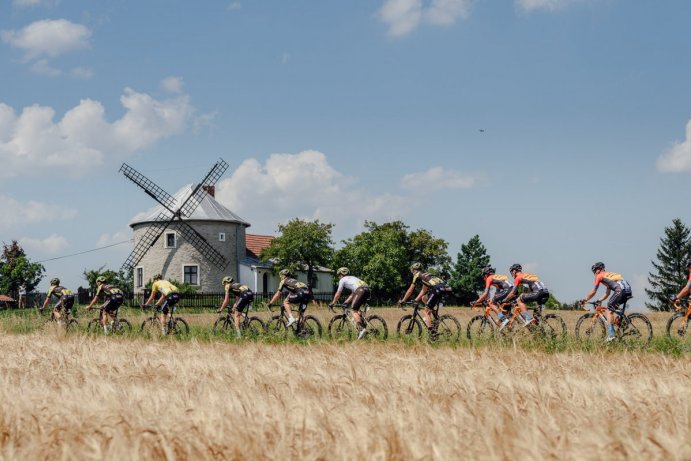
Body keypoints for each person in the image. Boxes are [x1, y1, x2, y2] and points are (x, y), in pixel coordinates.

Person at [579, 262, 632, 342]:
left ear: (599, 269)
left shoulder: (599, 276)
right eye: (593, 272)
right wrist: (599, 300)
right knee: (612, 307)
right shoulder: (608, 275)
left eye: (595, 270)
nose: (594, 273)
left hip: (620, 289)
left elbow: (594, 291)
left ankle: (611, 335)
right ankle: (621, 321)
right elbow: (607, 293)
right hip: (627, 289)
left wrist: (585, 300)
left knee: (609, 309)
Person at [399, 262, 449, 330]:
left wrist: (403, 300)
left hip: (437, 289)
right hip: (446, 288)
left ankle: (432, 332)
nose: (412, 273)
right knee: (424, 298)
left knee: (426, 311)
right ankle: (433, 315)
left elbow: (410, 290)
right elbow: (423, 291)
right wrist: (416, 300)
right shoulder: (426, 276)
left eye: (412, 272)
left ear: (414, 270)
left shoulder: (417, 275)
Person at [328, 267, 371, 339]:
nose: (339, 277)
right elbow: (354, 293)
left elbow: (338, 293)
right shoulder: (353, 278)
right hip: (367, 290)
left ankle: (361, 330)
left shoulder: (342, 280)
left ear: (341, 274)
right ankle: (363, 325)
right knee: (357, 311)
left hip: (360, 290)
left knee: (353, 310)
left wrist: (333, 303)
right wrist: (345, 302)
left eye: (338, 275)